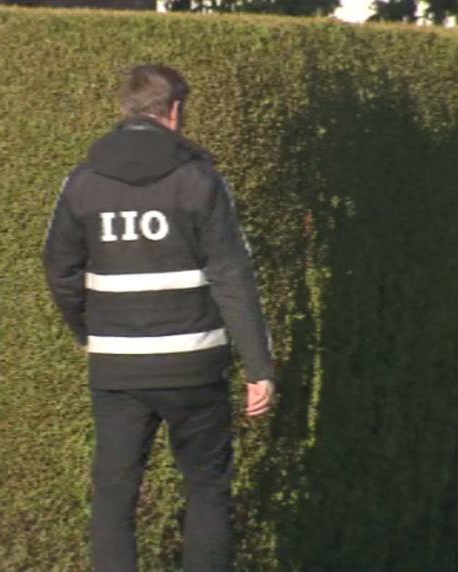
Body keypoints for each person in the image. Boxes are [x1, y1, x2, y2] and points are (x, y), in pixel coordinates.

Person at [42, 64, 276, 572]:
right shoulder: (199, 179)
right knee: (207, 490)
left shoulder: (81, 183)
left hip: (118, 367)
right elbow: (232, 275)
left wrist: (86, 331)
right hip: (193, 367)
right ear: (173, 112)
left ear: (123, 110)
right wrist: (258, 366)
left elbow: (59, 268)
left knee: (113, 496)